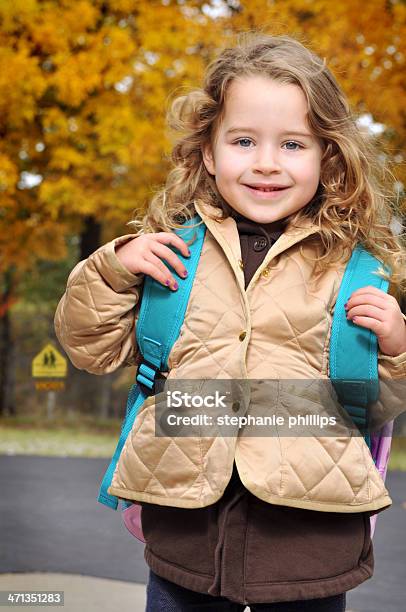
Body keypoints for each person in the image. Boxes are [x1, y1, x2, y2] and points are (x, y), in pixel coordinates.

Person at [54, 33, 406, 612]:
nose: (266, 162)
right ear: (210, 153)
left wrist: (395, 343)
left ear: (327, 158)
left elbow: (377, 402)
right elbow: (90, 349)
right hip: (187, 542)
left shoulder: (350, 268)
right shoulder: (171, 255)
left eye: (293, 144)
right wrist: (113, 269)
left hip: (309, 546)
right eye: (244, 141)